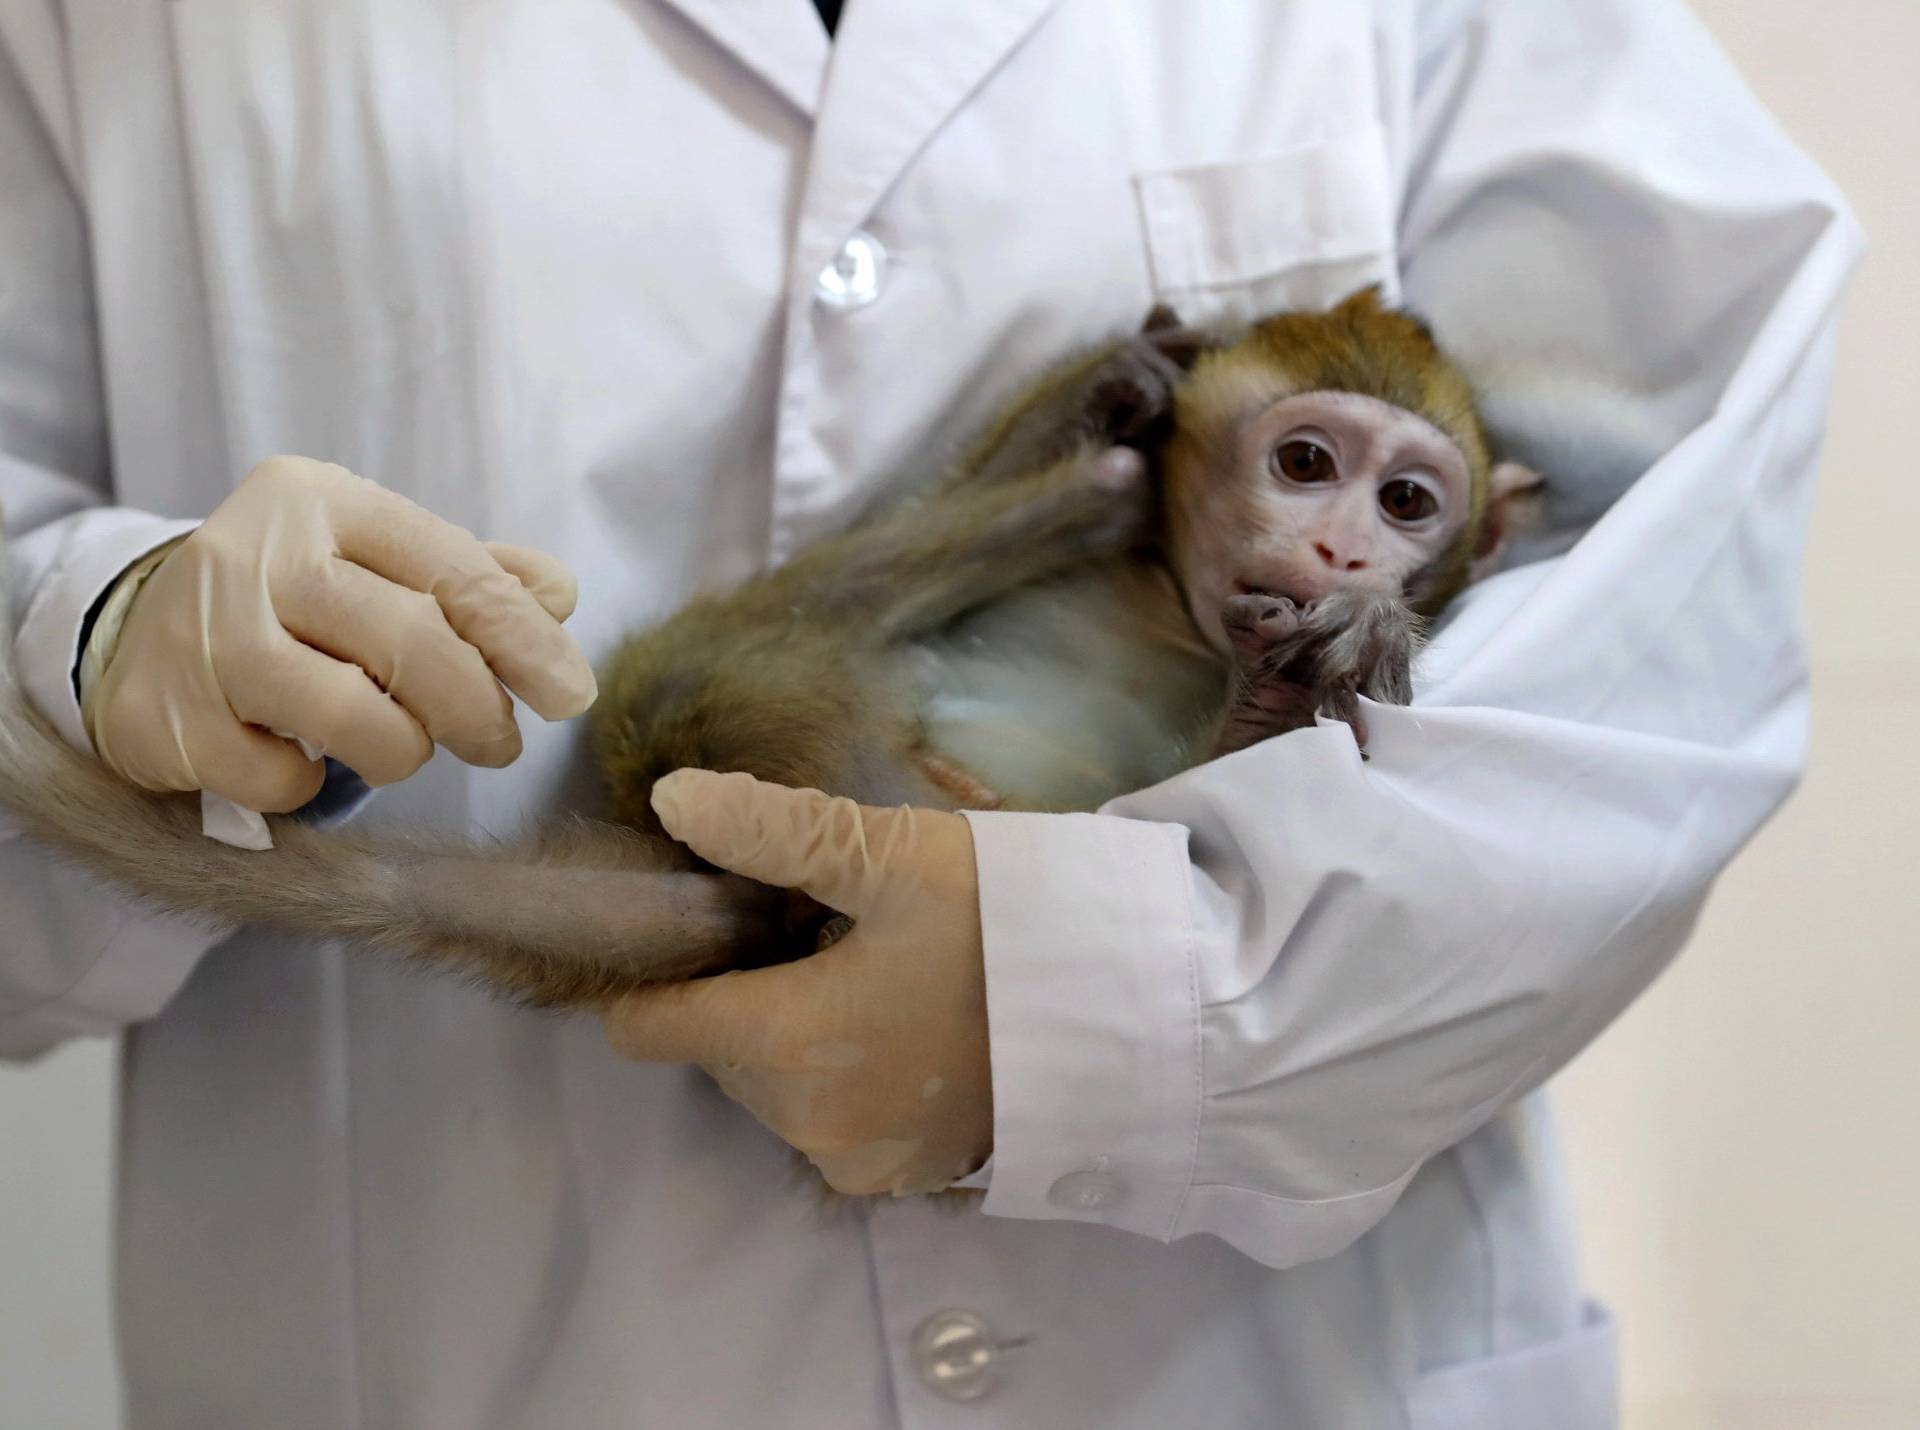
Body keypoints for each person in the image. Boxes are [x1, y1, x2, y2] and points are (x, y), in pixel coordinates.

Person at [0, 1, 1857, 1425]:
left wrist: (1156, 1001)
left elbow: (1665, 585)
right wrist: (88, 629)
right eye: (1296, 460)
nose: (1325, 544)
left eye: (1396, 507)